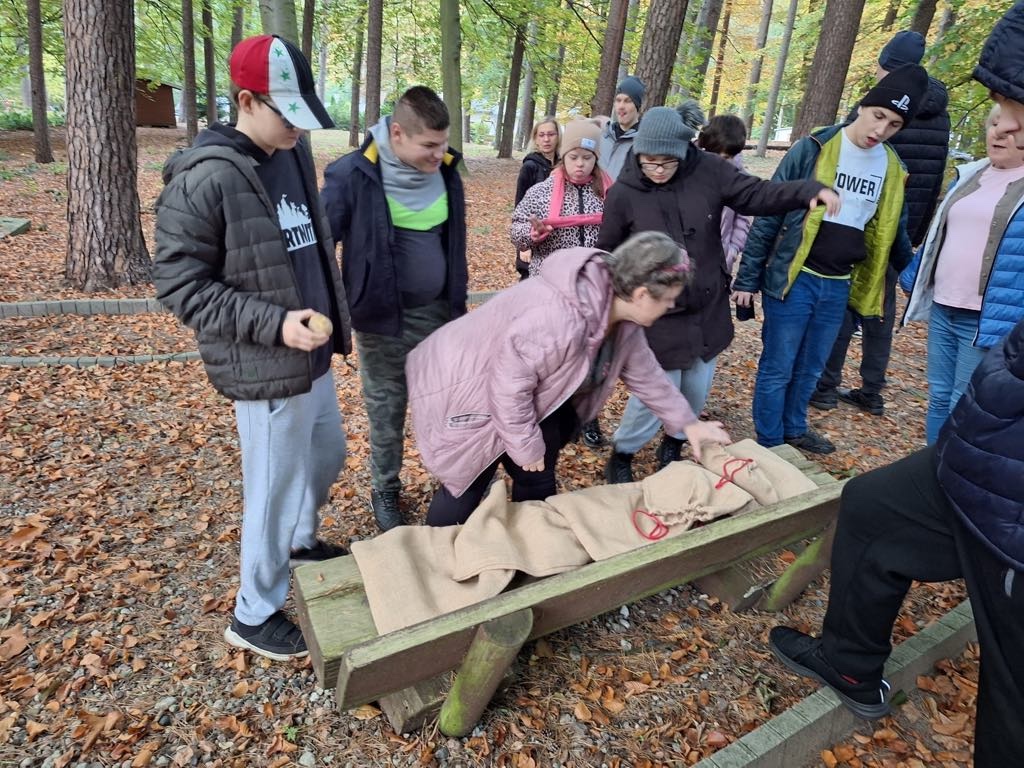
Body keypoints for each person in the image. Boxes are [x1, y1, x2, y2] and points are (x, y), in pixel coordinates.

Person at [769, 13, 1024, 764]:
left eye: (1014, 108)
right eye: (1001, 108)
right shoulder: (975, 174)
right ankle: (851, 660)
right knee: (873, 504)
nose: (1001, 122)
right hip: (990, 453)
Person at [153, 35, 350, 661]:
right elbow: (180, 284)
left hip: (312, 353)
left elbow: (309, 243)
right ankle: (253, 611)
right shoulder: (205, 177)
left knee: (327, 453)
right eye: (286, 113)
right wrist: (274, 324)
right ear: (245, 100)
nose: (298, 126)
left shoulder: (291, 154)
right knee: (271, 485)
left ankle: (300, 541)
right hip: (267, 362)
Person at [406, 231, 733, 527]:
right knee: (466, 483)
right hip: (471, 393)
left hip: (542, 400)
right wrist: (524, 445)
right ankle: (433, 558)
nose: (673, 304)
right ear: (643, 294)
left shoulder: (623, 322)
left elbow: (648, 377)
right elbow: (507, 388)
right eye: (668, 297)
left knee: (537, 481)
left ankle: (529, 546)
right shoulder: (561, 317)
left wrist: (688, 425)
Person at [596, 107, 839, 482]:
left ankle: (675, 444)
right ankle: (624, 453)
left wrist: (806, 190)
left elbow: (757, 194)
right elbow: (609, 252)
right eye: (649, 162)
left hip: (705, 306)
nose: (658, 170)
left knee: (695, 387)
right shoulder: (625, 192)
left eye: (667, 162)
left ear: (684, 151)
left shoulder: (710, 170)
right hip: (658, 313)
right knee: (654, 393)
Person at [733, 64, 927, 455]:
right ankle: (770, 442)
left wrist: (923, 278)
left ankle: (794, 429)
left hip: (840, 284)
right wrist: (747, 279)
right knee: (779, 365)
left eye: (893, 125)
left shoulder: (892, 168)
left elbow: (896, 234)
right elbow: (770, 211)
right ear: (862, 107)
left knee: (812, 367)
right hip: (795, 277)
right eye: (878, 116)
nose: (880, 130)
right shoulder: (814, 148)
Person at [321, 86, 467, 532]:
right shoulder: (353, 175)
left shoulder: (446, 171)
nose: (439, 153)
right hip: (382, 320)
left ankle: (455, 483)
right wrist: (330, 311)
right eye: (429, 145)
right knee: (387, 409)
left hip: (439, 315)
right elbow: (320, 246)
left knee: (447, 404)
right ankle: (385, 488)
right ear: (397, 133)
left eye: (443, 143)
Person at [812, 31, 952, 416]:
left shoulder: (879, 110)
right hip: (902, 232)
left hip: (861, 226)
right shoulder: (940, 115)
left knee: (845, 305)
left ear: (885, 67)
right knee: (880, 311)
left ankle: (825, 386)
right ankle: (872, 390)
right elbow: (934, 176)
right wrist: (913, 234)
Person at [901, 103, 1024, 443]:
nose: (997, 132)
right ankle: (929, 469)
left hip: (985, 316)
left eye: (1009, 127)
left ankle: (946, 475)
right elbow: (939, 234)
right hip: (944, 304)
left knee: (962, 401)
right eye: (993, 124)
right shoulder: (971, 175)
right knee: (939, 395)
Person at [509, 119, 612, 277]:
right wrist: (532, 234)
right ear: (563, 157)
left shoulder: (610, 193)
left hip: (594, 283)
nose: (580, 163)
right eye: (573, 157)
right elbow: (516, 231)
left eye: (587, 158)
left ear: (596, 159)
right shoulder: (541, 192)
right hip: (550, 282)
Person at [697, 114, 753, 274]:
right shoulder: (687, 170)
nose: (722, 162)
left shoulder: (740, 178)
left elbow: (743, 219)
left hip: (719, 264)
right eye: (719, 156)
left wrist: (733, 249)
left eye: (728, 157)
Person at [513, 117, 560, 280]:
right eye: (541, 135)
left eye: (551, 134)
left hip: (556, 238)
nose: (546, 139)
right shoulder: (529, 167)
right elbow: (519, 208)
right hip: (533, 235)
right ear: (535, 138)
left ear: (558, 136)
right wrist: (524, 246)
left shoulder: (564, 165)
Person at [597, 75, 645, 180]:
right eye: (618, 100)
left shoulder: (644, 142)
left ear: (638, 106)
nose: (621, 106)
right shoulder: (603, 136)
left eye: (627, 101)